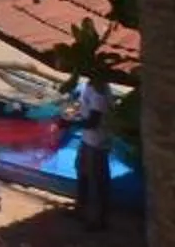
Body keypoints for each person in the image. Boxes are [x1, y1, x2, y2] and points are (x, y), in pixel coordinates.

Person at [70, 73, 116, 232]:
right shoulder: (89, 84)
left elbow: (93, 122)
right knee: (82, 173)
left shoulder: (100, 91)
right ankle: (81, 210)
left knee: (98, 181)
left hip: (98, 142)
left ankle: (99, 219)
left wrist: (70, 122)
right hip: (88, 139)